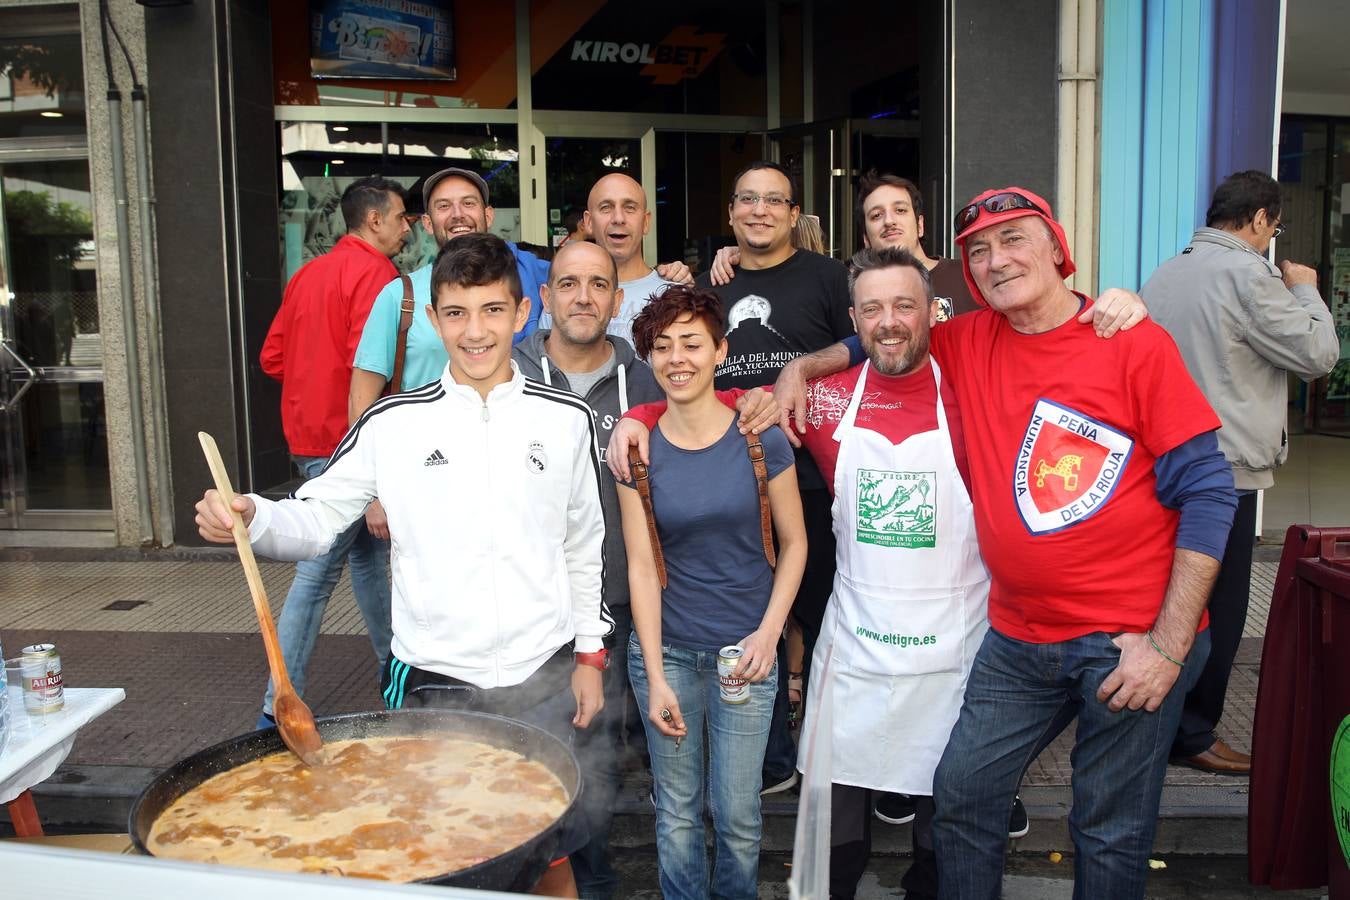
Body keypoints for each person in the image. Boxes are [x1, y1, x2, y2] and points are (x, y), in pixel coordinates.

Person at [771, 187, 1237, 899]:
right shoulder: (967, 340)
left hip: (1129, 638)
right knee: (962, 798)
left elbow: (1209, 491)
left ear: (1058, 248)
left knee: (1108, 829)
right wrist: (800, 368)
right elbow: (889, 332)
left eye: (1014, 239)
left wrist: (1169, 645)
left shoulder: (1132, 340)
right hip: (1017, 637)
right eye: (979, 250)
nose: (995, 260)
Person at [199, 233, 609, 898]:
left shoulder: (564, 419)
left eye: (492, 311)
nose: (475, 333)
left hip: (545, 671)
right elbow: (315, 516)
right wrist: (252, 516)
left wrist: (591, 656)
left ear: (523, 310)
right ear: (433, 317)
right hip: (433, 679)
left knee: (550, 853)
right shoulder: (393, 422)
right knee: (433, 848)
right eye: (456, 313)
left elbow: (584, 544)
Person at [795, 246, 988, 900]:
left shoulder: (978, 396)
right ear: (854, 318)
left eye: (904, 304)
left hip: (953, 648)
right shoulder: (822, 402)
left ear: (932, 311)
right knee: (837, 805)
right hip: (856, 645)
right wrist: (643, 418)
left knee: (947, 801)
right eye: (873, 308)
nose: (889, 321)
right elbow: (714, 411)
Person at [1142, 170, 1338, 775]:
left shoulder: (1167, 271)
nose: (1272, 238)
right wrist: (1304, 289)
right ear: (1259, 219)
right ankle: (1194, 734)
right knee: (1221, 610)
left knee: (1170, 596)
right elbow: (1318, 354)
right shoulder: (1249, 273)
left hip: (1163, 461)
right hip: (1222, 468)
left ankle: (1160, 718)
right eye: (1273, 227)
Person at [617, 285, 807, 900]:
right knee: (675, 815)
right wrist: (653, 673)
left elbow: (796, 544)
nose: (678, 358)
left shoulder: (760, 436)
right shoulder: (635, 452)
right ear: (648, 359)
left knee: (739, 817)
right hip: (667, 653)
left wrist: (770, 634)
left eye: (693, 343)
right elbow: (641, 568)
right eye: (663, 346)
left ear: (720, 350)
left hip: (745, 657)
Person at [512, 240, 664, 900]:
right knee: (539, 753)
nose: (582, 296)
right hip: (530, 608)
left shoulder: (648, 379)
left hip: (617, 603)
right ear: (543, 299)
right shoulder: (506, 373)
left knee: (598, 751)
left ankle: (594, 883)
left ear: (617, 299)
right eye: (567, 284)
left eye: (597, 285)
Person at [255, 175, 409, 729]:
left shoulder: (308, 274)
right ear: (374, 221)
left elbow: (272, 357)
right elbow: (366, 365)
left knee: (369, 564)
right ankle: (275, 709)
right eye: (400, 216)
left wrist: (308, 375)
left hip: (305, 436)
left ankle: (396, 677)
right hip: (349, 443)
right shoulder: (379, 276)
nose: (406, 225)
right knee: (316, 577)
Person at [711, 171, 978, 322]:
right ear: (865, 238)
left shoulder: (967, 274)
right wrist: (740, 253)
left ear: (920, 225)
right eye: (876, 215)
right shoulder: (848, 281)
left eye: (899, 210)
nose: (889, 221)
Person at [540, 172, 690, 346]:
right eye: (606, 207)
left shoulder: (674, 294)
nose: (618, 218)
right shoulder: (561, 298)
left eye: (630, 208)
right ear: (588, 222)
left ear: (646, 222)